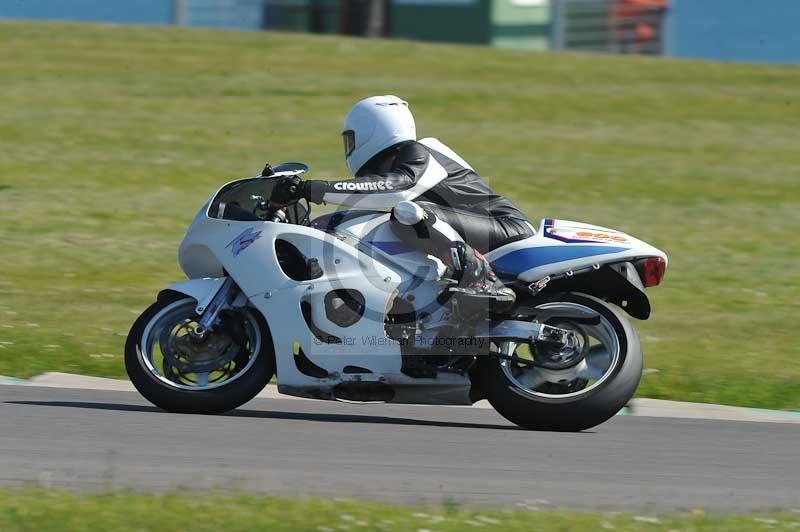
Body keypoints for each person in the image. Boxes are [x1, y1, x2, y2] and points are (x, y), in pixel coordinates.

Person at [271, 95, 534, 312]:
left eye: (350, 140)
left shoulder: (418, 152)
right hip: (475, 230)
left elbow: (398, 188)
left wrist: (310, 188)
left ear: (373, 131)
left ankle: (484, 280)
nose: (349, 149)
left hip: (505, 227)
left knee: (409, 214)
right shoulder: (403, 162)